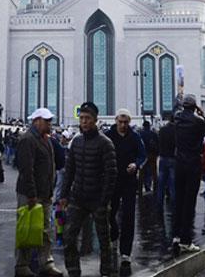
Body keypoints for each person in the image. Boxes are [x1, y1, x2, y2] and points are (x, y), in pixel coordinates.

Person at [60, 101, 117, 277]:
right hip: (78, 198)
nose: (83, 121)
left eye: (87, 118)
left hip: (97, 199)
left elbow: (111, 174)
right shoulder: (76, 142)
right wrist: (64, 195)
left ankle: (106, 271)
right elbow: (69, 171)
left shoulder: (105, 143)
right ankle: (73, 271)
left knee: (103, 239)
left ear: (95, 120)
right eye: (82, 118)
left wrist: (104, 199)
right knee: (69, 237)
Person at [14, 108, 63, 277]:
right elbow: (26, 170)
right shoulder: (28, 139)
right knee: (27, 230)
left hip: (44, 193)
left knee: (45, 231)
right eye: (47, 121)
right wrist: (31, 194)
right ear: (37, 121)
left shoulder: (45, 139)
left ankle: (46, 263)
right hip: (31, 194)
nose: (50, 124)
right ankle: (22, 265)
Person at [172, 94, 205, 254]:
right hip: (193, 163)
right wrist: (202, 114)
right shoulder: (198, 121)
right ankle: (186, 240)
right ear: (195, 106)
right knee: (190, 202)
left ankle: (176, 235)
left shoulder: (177, 119)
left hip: (179, 163)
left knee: (179, 200)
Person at [108, 108, 146, 267]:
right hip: (112, 181)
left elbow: (142, 155)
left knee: (129, 216)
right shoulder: (109, 136)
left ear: (129, 122)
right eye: (120, 122)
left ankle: (125, 252)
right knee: (110, 213)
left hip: (129, 181)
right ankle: (114, 234)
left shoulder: (135, 137)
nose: (123, 125)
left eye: (125, 122)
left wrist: (136, 165)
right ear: (116, 120)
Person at [157, 111, 176, 211]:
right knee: (173, 183)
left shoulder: (162, 130)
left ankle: (159, 204)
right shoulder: (176, 130)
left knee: (161, 182)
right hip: (173, 158)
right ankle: (173, 205)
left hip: (163, 157)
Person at [139, 120, 159, 194]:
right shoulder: (154, 134)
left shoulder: (140, 134)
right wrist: (157, 154)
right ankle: (156, 189)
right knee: (154, 173)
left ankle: (140, 189)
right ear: (149, 126)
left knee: (142, 173)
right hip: (152, 155)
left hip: (143, 156)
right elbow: (158, 144)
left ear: (143, 126)